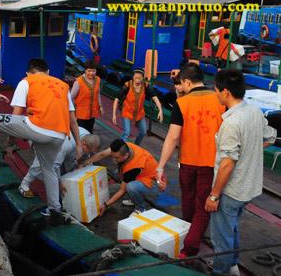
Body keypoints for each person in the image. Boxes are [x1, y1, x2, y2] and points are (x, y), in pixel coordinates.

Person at [0, 58, 82, 218]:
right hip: (59, 135)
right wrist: (79, 145)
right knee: (50, 169)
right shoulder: (63, 85)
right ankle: (54, 209)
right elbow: (72, 118)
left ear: (28, 72)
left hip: (37, 128)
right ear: (48, 72)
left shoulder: (26, 81)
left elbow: (17, 113)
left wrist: (10, 142)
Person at [205, 69, 276, 275]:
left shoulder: (231, 122)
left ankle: (221, 270)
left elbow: (227, 164)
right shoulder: (254, 111)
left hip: (231, 190)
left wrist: (214, 195)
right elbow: (270, 137)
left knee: (221, 236)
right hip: (249, 187)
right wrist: (249, 152)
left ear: (225, 92)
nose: (216, 94)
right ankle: (233, 264)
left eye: (216, 90)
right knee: (232, 226)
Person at [156, 62, 225, 259]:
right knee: (204, 204)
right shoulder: (219, 99)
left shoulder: (182, 103)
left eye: (182, 84)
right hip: (211, 163)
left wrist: (160, 166)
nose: (182, 88)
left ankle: (190, 243)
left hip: (187, 162)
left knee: (188, 200)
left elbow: (173, 137)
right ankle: (193, 240)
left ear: (187, 81)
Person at [84, 139, 162, 215]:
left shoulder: (133, 167)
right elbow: (102, 154)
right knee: (117, 174)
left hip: (154, 183)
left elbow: (122, 191)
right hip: (143, 174)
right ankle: (134, 198)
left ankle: (140, 209)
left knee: (131, 187)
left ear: (126, 155)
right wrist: (85, 163)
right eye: (112, 156)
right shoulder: (124, 146)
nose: (113, 160)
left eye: (116, 158)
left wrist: (106, 205)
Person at [19, 126, 101, 198]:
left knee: (71, 166)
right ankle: (24, 184)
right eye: (89, 150)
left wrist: (82, 164)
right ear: (83, 144)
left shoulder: (88, 136)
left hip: (59, 137)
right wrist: (59, 183)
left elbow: (81, 157)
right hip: (44, 141)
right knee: (41, 164)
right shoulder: (66, 146)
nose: (89, 153)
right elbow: (54, 167)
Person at [112, 69, 163, 146]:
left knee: (143, 132)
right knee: (127, 133)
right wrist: (114, 114)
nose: (137, 80)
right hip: (127, 112)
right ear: (133, 77)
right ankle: (121, 149)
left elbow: (154, 97)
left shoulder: (146, 86)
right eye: (135, 78)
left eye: (139, 78)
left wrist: (160, 110)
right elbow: (116, 99)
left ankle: (136, 146)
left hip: (139, 113)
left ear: (143, 78)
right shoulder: (127, 85)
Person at [71, 60, 103, 133]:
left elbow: (98, 93)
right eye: (89, 71)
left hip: (92, 113)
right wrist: (72, 112)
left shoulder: (98, 80)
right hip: (80, 114)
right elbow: (71, 97)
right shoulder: (78, 82)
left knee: (89, 131)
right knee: (81, 133)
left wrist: (100, 106)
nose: (91, 73)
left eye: (93, 71)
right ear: (85, 70)